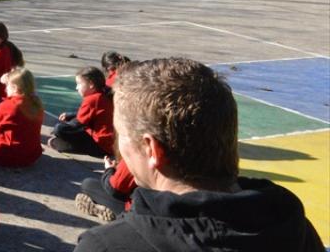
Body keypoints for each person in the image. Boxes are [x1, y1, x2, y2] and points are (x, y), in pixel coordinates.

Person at [75, 57, 323, 251]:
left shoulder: (105, 245)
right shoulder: (294, 228)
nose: (120, 145)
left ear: (152, 150)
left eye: (121, 134)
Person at [0, 67, 44, 168]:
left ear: (14, 88)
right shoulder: (37, 104)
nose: (5, 89)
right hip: (32, 155)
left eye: (7, 85)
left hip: (7, 156)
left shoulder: (7, 106)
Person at [50, 66, 114, 158]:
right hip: (110, 143)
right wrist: (70, 115)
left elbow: (77, 125)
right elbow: (91, 115)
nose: (76, 87)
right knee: (66, 126)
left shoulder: (92, 99)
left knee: (60, 129)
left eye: (79, 84)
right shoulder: (103, 94)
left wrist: (58, 129)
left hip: (101, 145)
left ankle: (64, 145)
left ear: (91, 84)